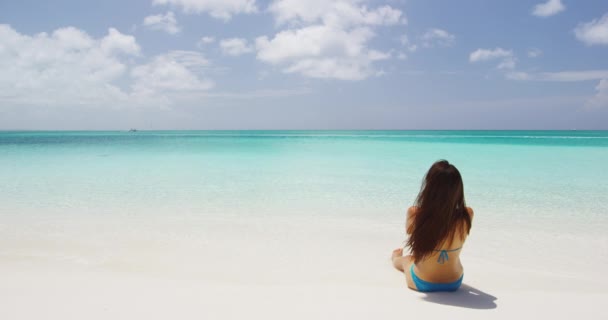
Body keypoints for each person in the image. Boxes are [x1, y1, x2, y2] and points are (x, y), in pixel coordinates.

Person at [391, 160, 474, 292]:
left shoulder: (415, 213)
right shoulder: (467, 214)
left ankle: (395, 258)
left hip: (423, 282)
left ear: (429, 187)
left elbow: (410, 231)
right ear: (458, 189)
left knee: (406, 260)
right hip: (455, 282)